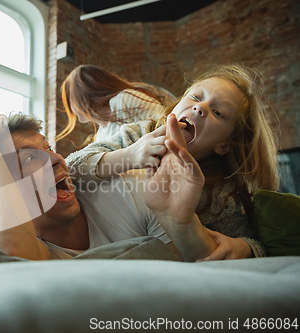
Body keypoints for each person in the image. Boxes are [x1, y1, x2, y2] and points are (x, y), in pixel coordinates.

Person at [66, 64, 279, 260]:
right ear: (176, 106)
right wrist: (129, 156)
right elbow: (71, 167)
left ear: (223, 145)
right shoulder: (139, 133)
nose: (199, 108)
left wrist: (245, 248)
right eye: (195, 97)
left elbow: (251, 245)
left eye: (218, 112)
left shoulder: (221, 191)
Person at [0, 113, 222, 262]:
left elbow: (206, 274)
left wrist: (179, 222)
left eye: (48, 149)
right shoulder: (34, 248)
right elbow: (8, 259)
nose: (55, 159)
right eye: (30, 159)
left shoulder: (131, 188)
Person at [58, 64, 175, 142]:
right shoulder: (100, 135)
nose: (71, 108)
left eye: (71, 100)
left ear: (83, 96)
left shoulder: (122, 100)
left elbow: (166, 121)